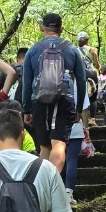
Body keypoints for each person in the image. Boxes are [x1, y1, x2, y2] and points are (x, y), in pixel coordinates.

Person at [21, 12, 87, 177]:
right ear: (61, 29)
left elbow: (27, 83)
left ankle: (44, 192)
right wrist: (79, 108)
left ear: (42, 28)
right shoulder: (71, 49)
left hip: (39, 101)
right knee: (59, 145)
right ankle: (53, 188)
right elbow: (81, 79)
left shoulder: (33, 50)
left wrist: (26, 110)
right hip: (65, 99)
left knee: (44, 147)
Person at [63, 85, 93, 198]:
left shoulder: (55, 80)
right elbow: (84, 109)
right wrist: (86, 127)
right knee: (71, 160)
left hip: (58, 127)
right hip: (75, 127)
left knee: (60, 159)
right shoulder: (78, 84)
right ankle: (69, 192)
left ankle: (58, 190)